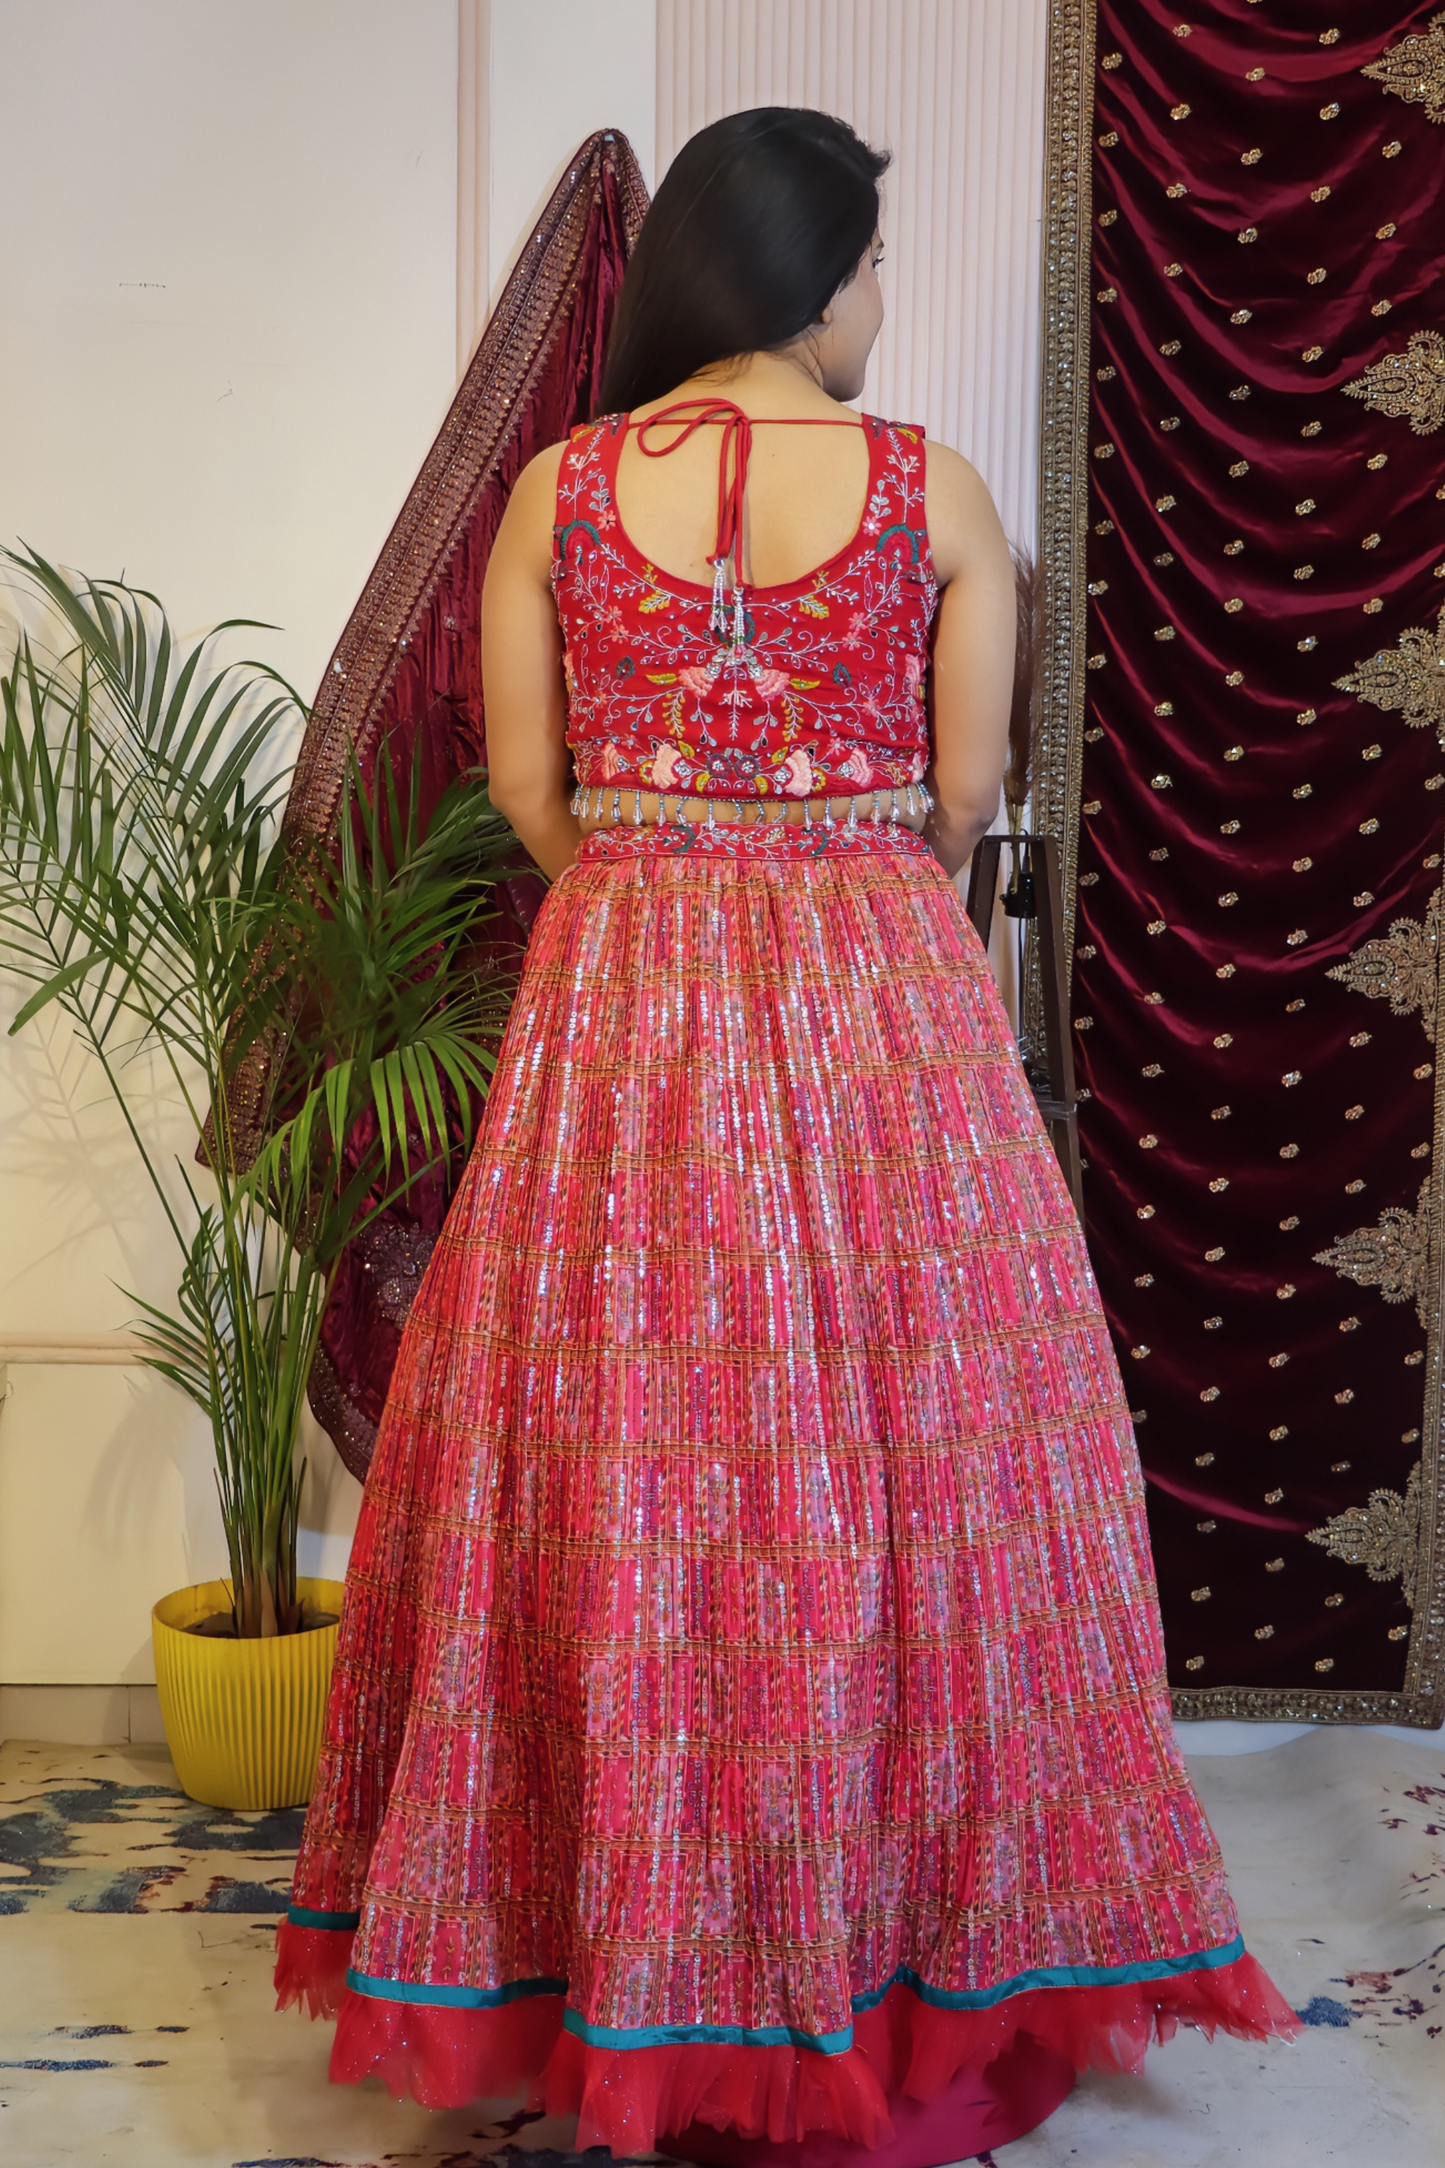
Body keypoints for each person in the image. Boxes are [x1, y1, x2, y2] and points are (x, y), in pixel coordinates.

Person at [275, 106, 1297, 2165]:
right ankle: (901, 1949)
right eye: (873, 269)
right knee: (921, 1451)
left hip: (619, 1006)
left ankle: (602, 1962)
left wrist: (667, 874)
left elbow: (526, 791)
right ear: (817, 274)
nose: (877, 305)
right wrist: (817, 872)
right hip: (874, 1015)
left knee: (618, 1453)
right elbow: (962, 789)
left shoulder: (559, 494)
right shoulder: (929, 496)